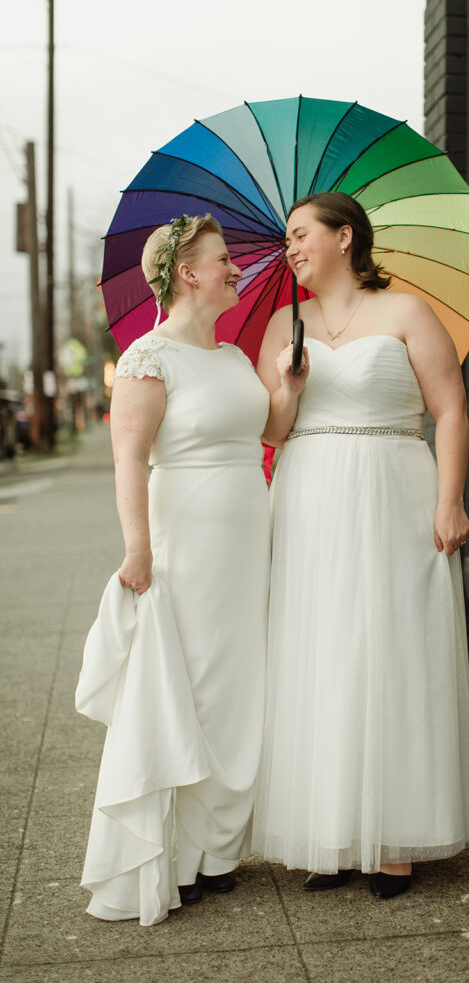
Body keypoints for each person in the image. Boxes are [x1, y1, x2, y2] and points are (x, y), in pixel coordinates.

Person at [252, 192, 469, 899]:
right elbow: (272, 431)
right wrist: (289, 387)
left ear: (344, 236)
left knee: (391, 647)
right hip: (309, 493)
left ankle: (394, 836)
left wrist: (448, 501)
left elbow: (448, 411)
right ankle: (330, 831)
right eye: (286, 239)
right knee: (319, 651)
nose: (289, 248)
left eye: (299, 235)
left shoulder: (407, 313)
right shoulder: (278, 327)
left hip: (393, 488)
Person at [80, 214, 283, 924]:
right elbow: (128, 458)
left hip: (245, 538)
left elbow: (270, 432)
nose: (236, 269)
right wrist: (138, 549)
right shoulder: (146, 357)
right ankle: (172, 854)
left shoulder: (234, 358)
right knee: (187, 684)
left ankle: (216, 850)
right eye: (224, 259)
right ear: (187, 272)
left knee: (237, 685)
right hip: (184, 538)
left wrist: (288, 382)